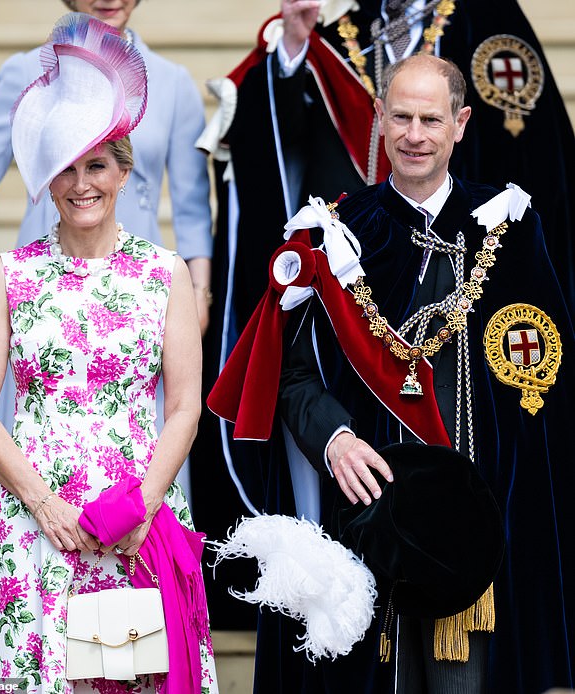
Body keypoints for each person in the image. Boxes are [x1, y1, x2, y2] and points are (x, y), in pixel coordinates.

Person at [190, 0, 575, 628]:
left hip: (471, 516)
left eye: (431, 119)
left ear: (459, 124)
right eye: (401, 117)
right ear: (381, 118)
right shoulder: (329, 235)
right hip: (360, 515)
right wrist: (336, 437)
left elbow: (540, 361)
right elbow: (290, 375)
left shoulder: (505, 224)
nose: (415, 134)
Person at [0, 14, 218, 692]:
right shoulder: (11, 275)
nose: (81, 183)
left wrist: (144, 505)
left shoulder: (165, 275)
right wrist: (42, 504)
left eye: (97, 164)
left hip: (136, 522)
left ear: (123, 172)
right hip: (35, 525)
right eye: (65, 168)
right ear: (47, 180)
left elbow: (185, 407)